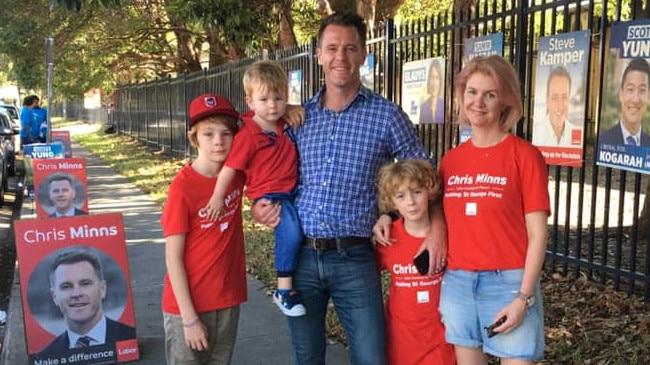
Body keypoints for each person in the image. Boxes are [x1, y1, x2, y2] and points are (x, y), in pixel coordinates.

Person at [251, 12, 447, 365]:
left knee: (371, 357)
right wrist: (258, 204)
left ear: (362, 54)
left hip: (354, 257)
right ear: (319, 54)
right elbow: (264, 164)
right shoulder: (297, 117)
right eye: (332, 48)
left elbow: (424, 175)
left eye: (350, 48)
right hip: (301, 257)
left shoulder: (386, 115)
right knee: (306, 357)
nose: (340, 56)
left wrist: (425, 225)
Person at [436, 55, 549, 364]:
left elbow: (538, 235)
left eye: (490, 94)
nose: (479, 102)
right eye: (472, 92)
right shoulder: (450, 160)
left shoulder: (525, 156)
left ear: (506, 101)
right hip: (458, 281)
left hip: (509, 283)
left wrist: (523, 297)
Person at [204, 60, 306, 317]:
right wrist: (218, 197)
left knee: (299, 233)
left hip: (292, 190)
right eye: (264, 100)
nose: (272, 105)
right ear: (250, 101)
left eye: (279, 98)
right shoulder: (248, 135)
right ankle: (283, 288)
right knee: (291, 232)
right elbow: (230, 169)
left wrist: (289, 108)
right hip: (271, 195)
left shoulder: (284, 122)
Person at [160, 93, 247, 365]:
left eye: (225, 133)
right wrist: (189, 319)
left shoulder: (236, 176)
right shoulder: (182, 187)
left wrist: (289, 107)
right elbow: (173, 258)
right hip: (189, 306)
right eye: (208, 134)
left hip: (227, 298)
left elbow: (263, 123)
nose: (218, 141)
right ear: (194, 138)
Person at [374, 158, 456, 365]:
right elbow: (363, 279)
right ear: (392, 203)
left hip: (441, 338)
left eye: (417, 192)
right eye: (401, 196)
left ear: (429, 192)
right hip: (400, 338)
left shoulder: (448, 235)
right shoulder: (388, 238)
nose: (410, 201)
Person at [37, 250, 135, 355]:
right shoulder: (47, 356)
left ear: (102, 289)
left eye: (85, 284)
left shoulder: (130, 338)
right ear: (54, 296)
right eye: (66, 286)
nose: (77, 294)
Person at [599, 58, 650, 147]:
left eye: (642, 90)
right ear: (621, 94)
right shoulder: (603, 141)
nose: (635, 99)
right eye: (630, 89)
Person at [533, 66, 582, 146]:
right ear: (547, 100)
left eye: (564, 97)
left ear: (569, 99)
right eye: (555, 98)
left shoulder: (576, 134)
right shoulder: (536, 134)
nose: (559, 105)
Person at [419, 58, 445, 124]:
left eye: (437, 78)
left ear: (440, 81)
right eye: (432, 78)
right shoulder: (423, 108)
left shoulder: (444, 105)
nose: (434, 83)